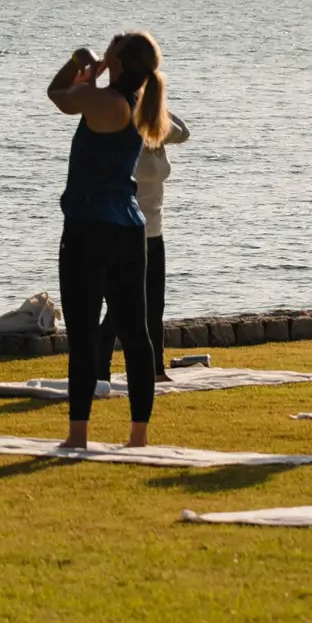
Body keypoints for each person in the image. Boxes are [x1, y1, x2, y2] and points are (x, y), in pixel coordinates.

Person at [46, 32, 172, 449]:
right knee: (135, 332)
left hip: (90, 228)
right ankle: (138, 435)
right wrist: (91, 74)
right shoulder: (137, 102)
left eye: (114, 43)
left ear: (121, 59)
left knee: (83, 333)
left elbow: (59, 94)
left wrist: (79, 63)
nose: (109, 42)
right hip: (128, 227)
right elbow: (71, 97)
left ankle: (78, 434)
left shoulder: (110, 103)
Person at [96, 111, 190, 383]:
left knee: (155, 302)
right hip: (126, 230)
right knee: (123, 306)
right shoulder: (126, 136)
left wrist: (160, 108)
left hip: (154, 231)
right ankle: (100, 365)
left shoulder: (159, 136)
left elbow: (184, 132)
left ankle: (156, 369)